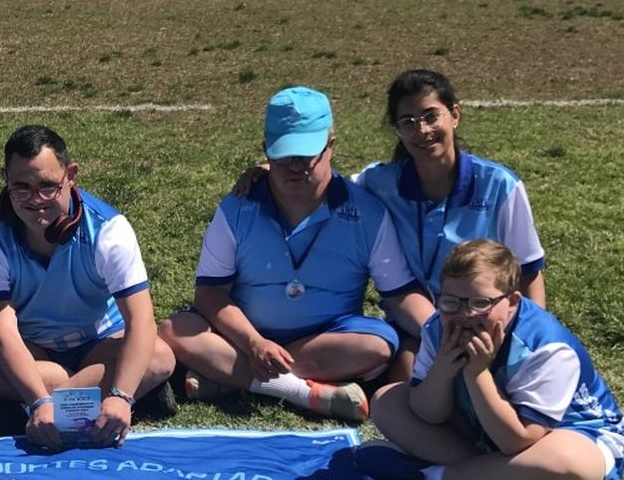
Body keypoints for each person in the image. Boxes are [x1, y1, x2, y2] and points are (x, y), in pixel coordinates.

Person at [233, 69, 546, 382]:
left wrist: (528, 338)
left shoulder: (500, 186)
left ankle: (237, 374)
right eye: (407, 122)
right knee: (410, 385)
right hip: (416, 325)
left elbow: (529, 273)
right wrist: (274, 166)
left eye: (430, 116)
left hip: (485, 321)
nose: (421, 130)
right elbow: (327, 185)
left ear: (454, 115)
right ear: (397, 130)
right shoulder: (380, 182)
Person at [159, 86, 428, 421]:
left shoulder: (368, 213)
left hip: (328, 338)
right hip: (245, 336)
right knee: (175, 329)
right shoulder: (237, 209)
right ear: (265, 150)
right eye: (282, 155)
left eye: (306, 155)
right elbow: (210, 294)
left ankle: (234, 379)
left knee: (378, 344)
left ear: (332, 144)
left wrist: (439, 329)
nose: (293, 166)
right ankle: (306, 393)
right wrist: (255, 343)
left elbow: (399, 293)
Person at [369, 240, 624, 480]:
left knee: (572, 467)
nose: (465, 315)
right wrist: (442, 370)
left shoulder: (545, 346)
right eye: (451, 301)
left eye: (481, 303)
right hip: (485, 432)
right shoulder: (437, 327)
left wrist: (477, 375)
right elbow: (428, 413)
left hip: (561, 437)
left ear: (513, 301)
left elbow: (516, 441)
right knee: (387, 402)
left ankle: (431, 479)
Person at [0, 124, 175, 450]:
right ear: (5, 178)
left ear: (71, 175)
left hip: (100, 341)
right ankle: (133, 394)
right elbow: (2, 329)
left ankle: (24, 411)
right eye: (21, 188)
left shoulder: (108, 229)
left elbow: (141, 320)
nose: (36, 201)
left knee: (159, 357)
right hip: (34, 348)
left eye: (48, 186)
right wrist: (38, 400)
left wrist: (118, 395)